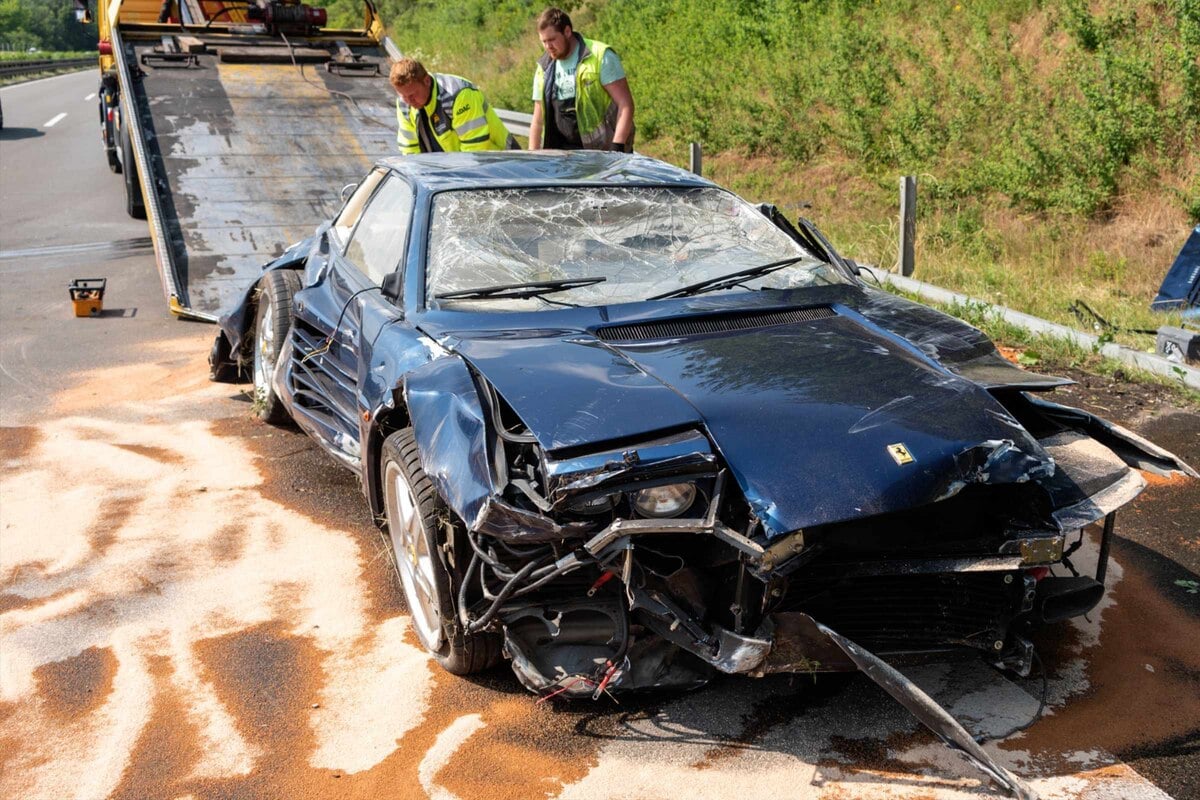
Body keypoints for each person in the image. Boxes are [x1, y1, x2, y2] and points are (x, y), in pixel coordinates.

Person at [529, 7, 634, 152]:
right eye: (544, 41)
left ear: (567, 31)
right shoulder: (543, 68)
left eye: (552, 40)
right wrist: (532, 159)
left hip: (603, 153)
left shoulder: (600, 56)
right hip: (563, 159)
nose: (548, 47)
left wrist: (617, 148)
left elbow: (626, 105)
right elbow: (538, 120)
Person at [390, 58, 516, 154]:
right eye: (403, 95)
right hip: (455, 171)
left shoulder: (458, 95)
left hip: (502, 162)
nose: (408, 101)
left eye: (412, 94)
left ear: (427, 81)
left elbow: (474, 151)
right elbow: (410, 151)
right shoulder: (403, 104)